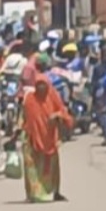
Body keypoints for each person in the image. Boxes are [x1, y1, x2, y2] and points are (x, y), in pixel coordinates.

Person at [20, 74, 73, 202]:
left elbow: (64, 113)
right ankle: (31, 194)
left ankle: (56, 192)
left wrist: (56, 115)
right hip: (32, 138)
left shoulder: (53, 97)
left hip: (49, 138)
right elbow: (23, 116)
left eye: (43, 84)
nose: (41, 87)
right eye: (38, 85)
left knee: (53, 168)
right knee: (31, 168)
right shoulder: (30, 99)